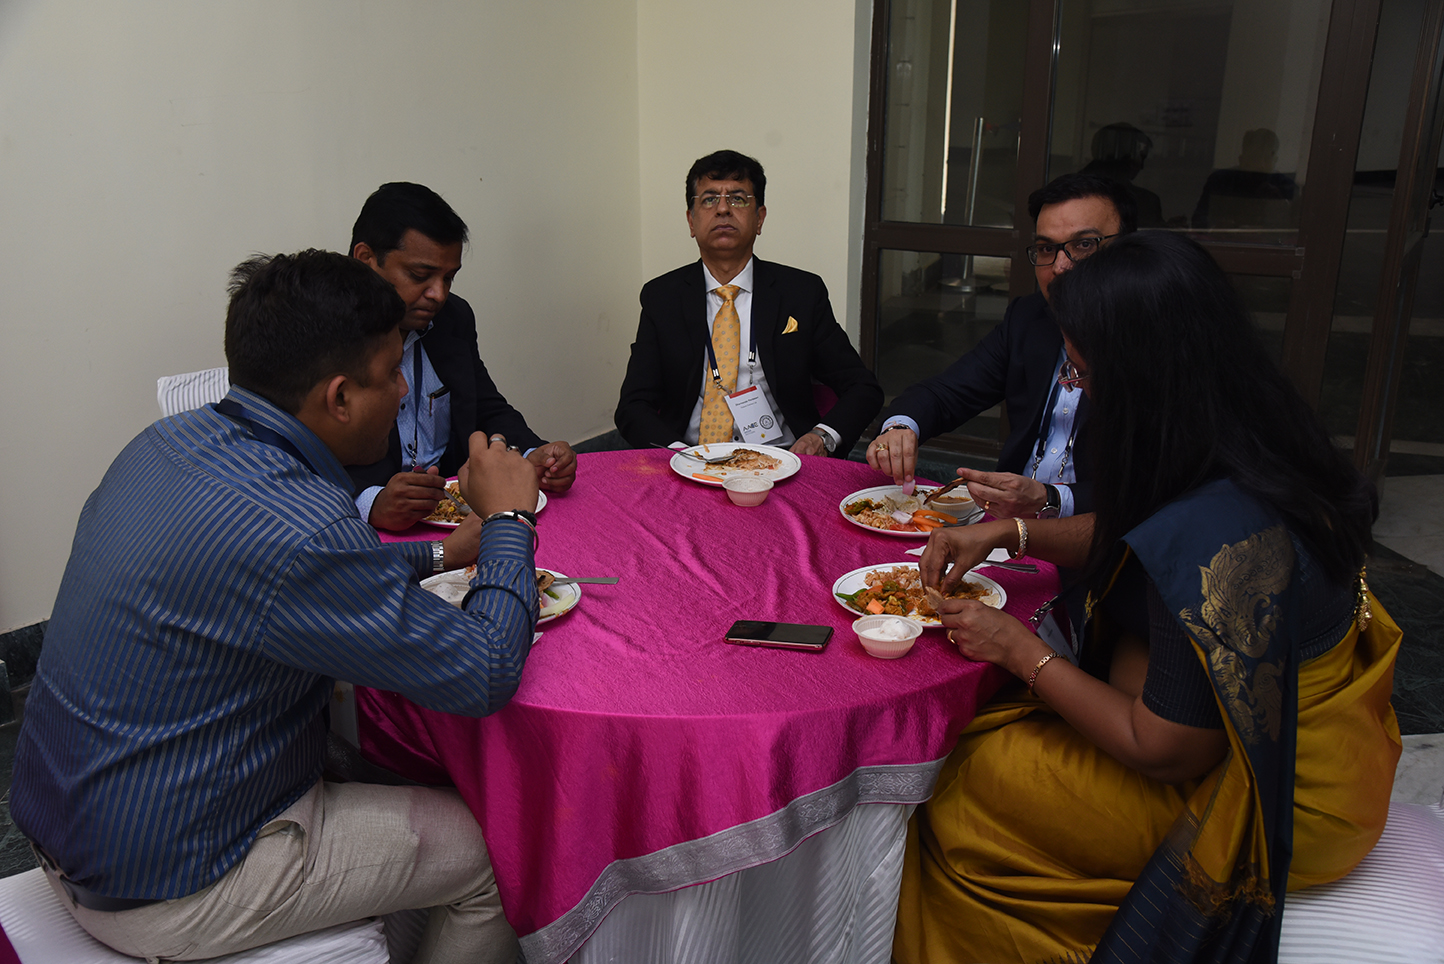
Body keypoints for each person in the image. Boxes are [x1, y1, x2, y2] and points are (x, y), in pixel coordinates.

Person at [10, 250, 543, 964]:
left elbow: (280, 577)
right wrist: (510, 521)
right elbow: (484, 670)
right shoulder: (305, 525)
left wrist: (441, 554)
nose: (402, 390)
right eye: (393, 374)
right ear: (340, 398)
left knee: (391, 759)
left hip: (74, 822)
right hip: (167, 882)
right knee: (496, 853)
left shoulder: (166, 444)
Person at [893, 231, 1402, 964]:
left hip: (1276, 803)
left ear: (1141, 377)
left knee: (961, 778)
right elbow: (1137, 533)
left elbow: (1163, 748)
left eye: (1081, 371)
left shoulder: (1212, 530)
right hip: (1339, 755)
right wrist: (1014, 532)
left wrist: (1018, 650)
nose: (1075, 390)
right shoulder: (1253, 437)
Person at [868, 173, 1136, 520]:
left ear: (1129, 250)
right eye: (1046, 248)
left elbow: (1159, 490)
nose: (1061, 267)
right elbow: (947, 392)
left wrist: (1051, 499)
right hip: (1007, 525)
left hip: (1102, 535)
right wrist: (901, 427)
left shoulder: (1155, 343)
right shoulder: (1030, 319)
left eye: (1084, 244)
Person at [615, 150, 882, 457]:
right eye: (709, 199)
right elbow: (633, 405)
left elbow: (862, 387)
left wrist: (822, 437)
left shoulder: (801, 293)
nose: (723, 209)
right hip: (688, 458)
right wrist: (679, 454)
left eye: (738, 199)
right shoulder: (662, 297)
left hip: (782, 460)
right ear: (691, 221)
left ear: (759, 218)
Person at [348, 181, 577, 530]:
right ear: (366, 259)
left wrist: (534, 455)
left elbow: (484, 406)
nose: (438, 294)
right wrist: (370, 501)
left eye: (449, 278)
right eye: (420, 276)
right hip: (364, 529)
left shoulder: (452, 318)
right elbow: (299, 454)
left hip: (456, 513)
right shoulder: (322, 333)